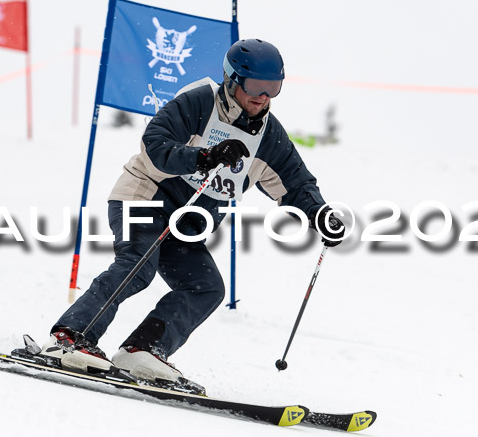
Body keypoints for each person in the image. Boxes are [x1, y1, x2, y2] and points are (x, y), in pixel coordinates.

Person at [40, 39, 345, 384]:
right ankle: (70, 336)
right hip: (143, 198)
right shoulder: (200, 102)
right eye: (256, 86)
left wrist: (319, 215)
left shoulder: (269, 137)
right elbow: (154, 143)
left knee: (206, 287)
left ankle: (143, 350)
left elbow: (296, 185)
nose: (264, 97)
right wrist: (205, 157)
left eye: (273, 88)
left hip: (185, 225)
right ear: (232, 80)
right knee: (138, 264)